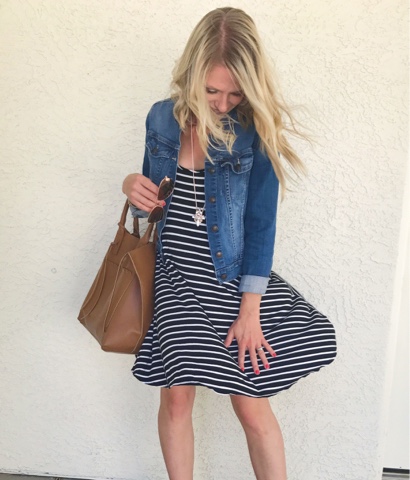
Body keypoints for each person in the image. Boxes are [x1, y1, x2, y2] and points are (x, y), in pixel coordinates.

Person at [122, 7, 337, 480]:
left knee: (250, 406)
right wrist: (131, 189)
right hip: (175, 279)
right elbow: (149, 209)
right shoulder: (160, 118)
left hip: (229, 281)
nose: (222, 104)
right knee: (176, 399)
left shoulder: (255, 131)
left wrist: (250, 312)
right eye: (212, 90)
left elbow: (261, 224)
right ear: (191, 73)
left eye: (235, 93)